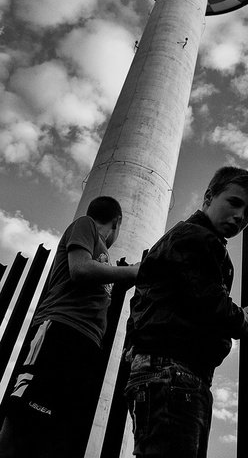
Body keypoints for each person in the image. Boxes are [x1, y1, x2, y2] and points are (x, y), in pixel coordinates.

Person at [124, 166, 248, 458]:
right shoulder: (197, 239)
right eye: (234, 203)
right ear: (209, 197)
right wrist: (246, 322)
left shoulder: (186, 240)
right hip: (173, 372)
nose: (241, 217)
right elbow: (211, 303)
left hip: (174, 372)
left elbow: (149, 301)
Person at [0, 195, 140, 458]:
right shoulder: (85, 225)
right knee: (25, 416)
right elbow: (80, 269)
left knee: (57, 430)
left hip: (86, 343)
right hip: (61, 329)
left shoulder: (105, 257)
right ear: (117, 223)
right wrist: (133, 272)